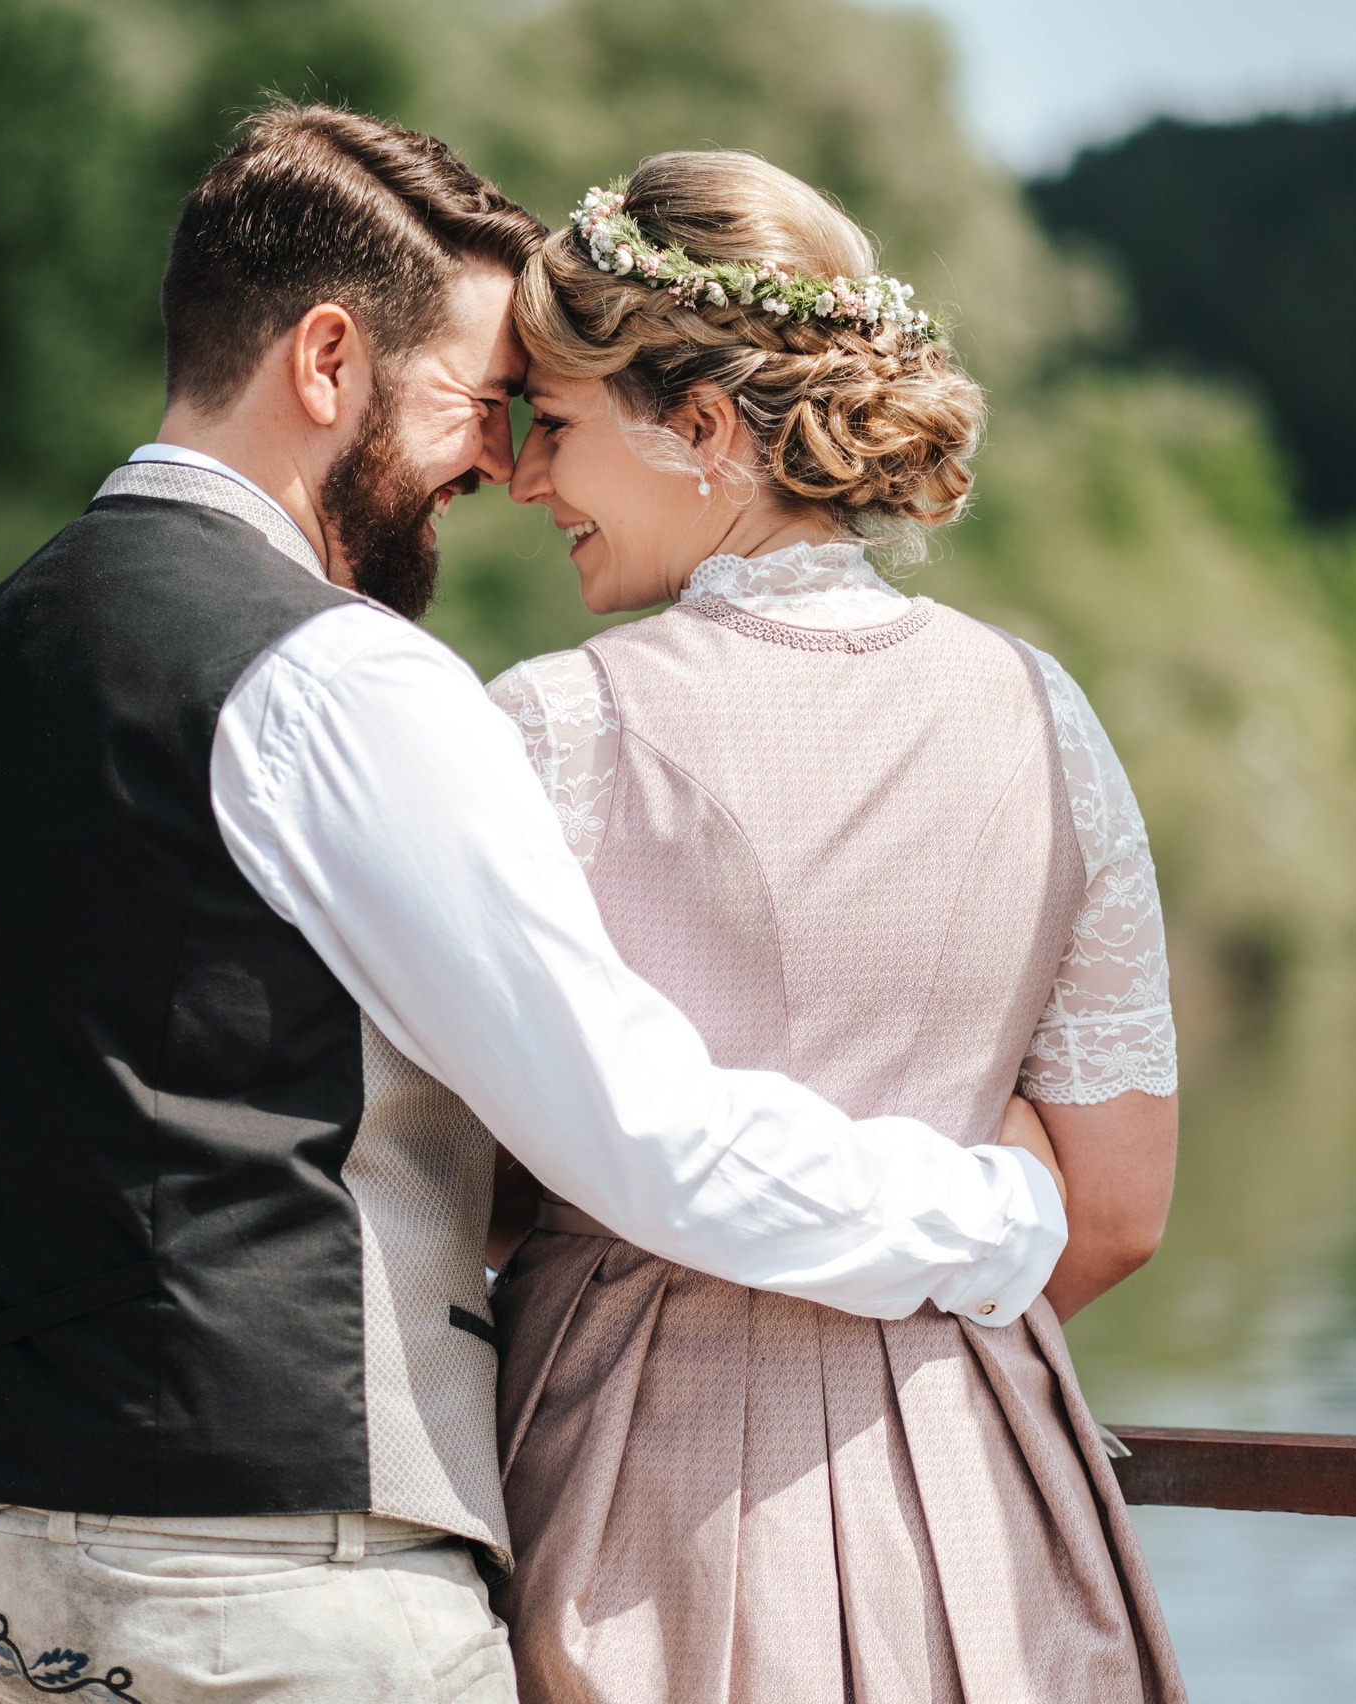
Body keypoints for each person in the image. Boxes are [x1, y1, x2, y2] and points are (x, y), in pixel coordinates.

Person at [0, 108, 1070, 1704]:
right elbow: (640, 1135)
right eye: (481, 403)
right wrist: (998, 1219)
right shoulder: (336, 682)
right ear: (329, 359)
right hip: (255, 1596)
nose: (500, 465)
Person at [484, 151, 1188, 1703]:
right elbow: (1120, 1207)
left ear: (706, 429)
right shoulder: (1044, 715)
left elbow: (453, 1182)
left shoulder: (549, 733)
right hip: (974, 1486)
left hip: (631, 1500)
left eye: (559, 425)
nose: (528, 479)